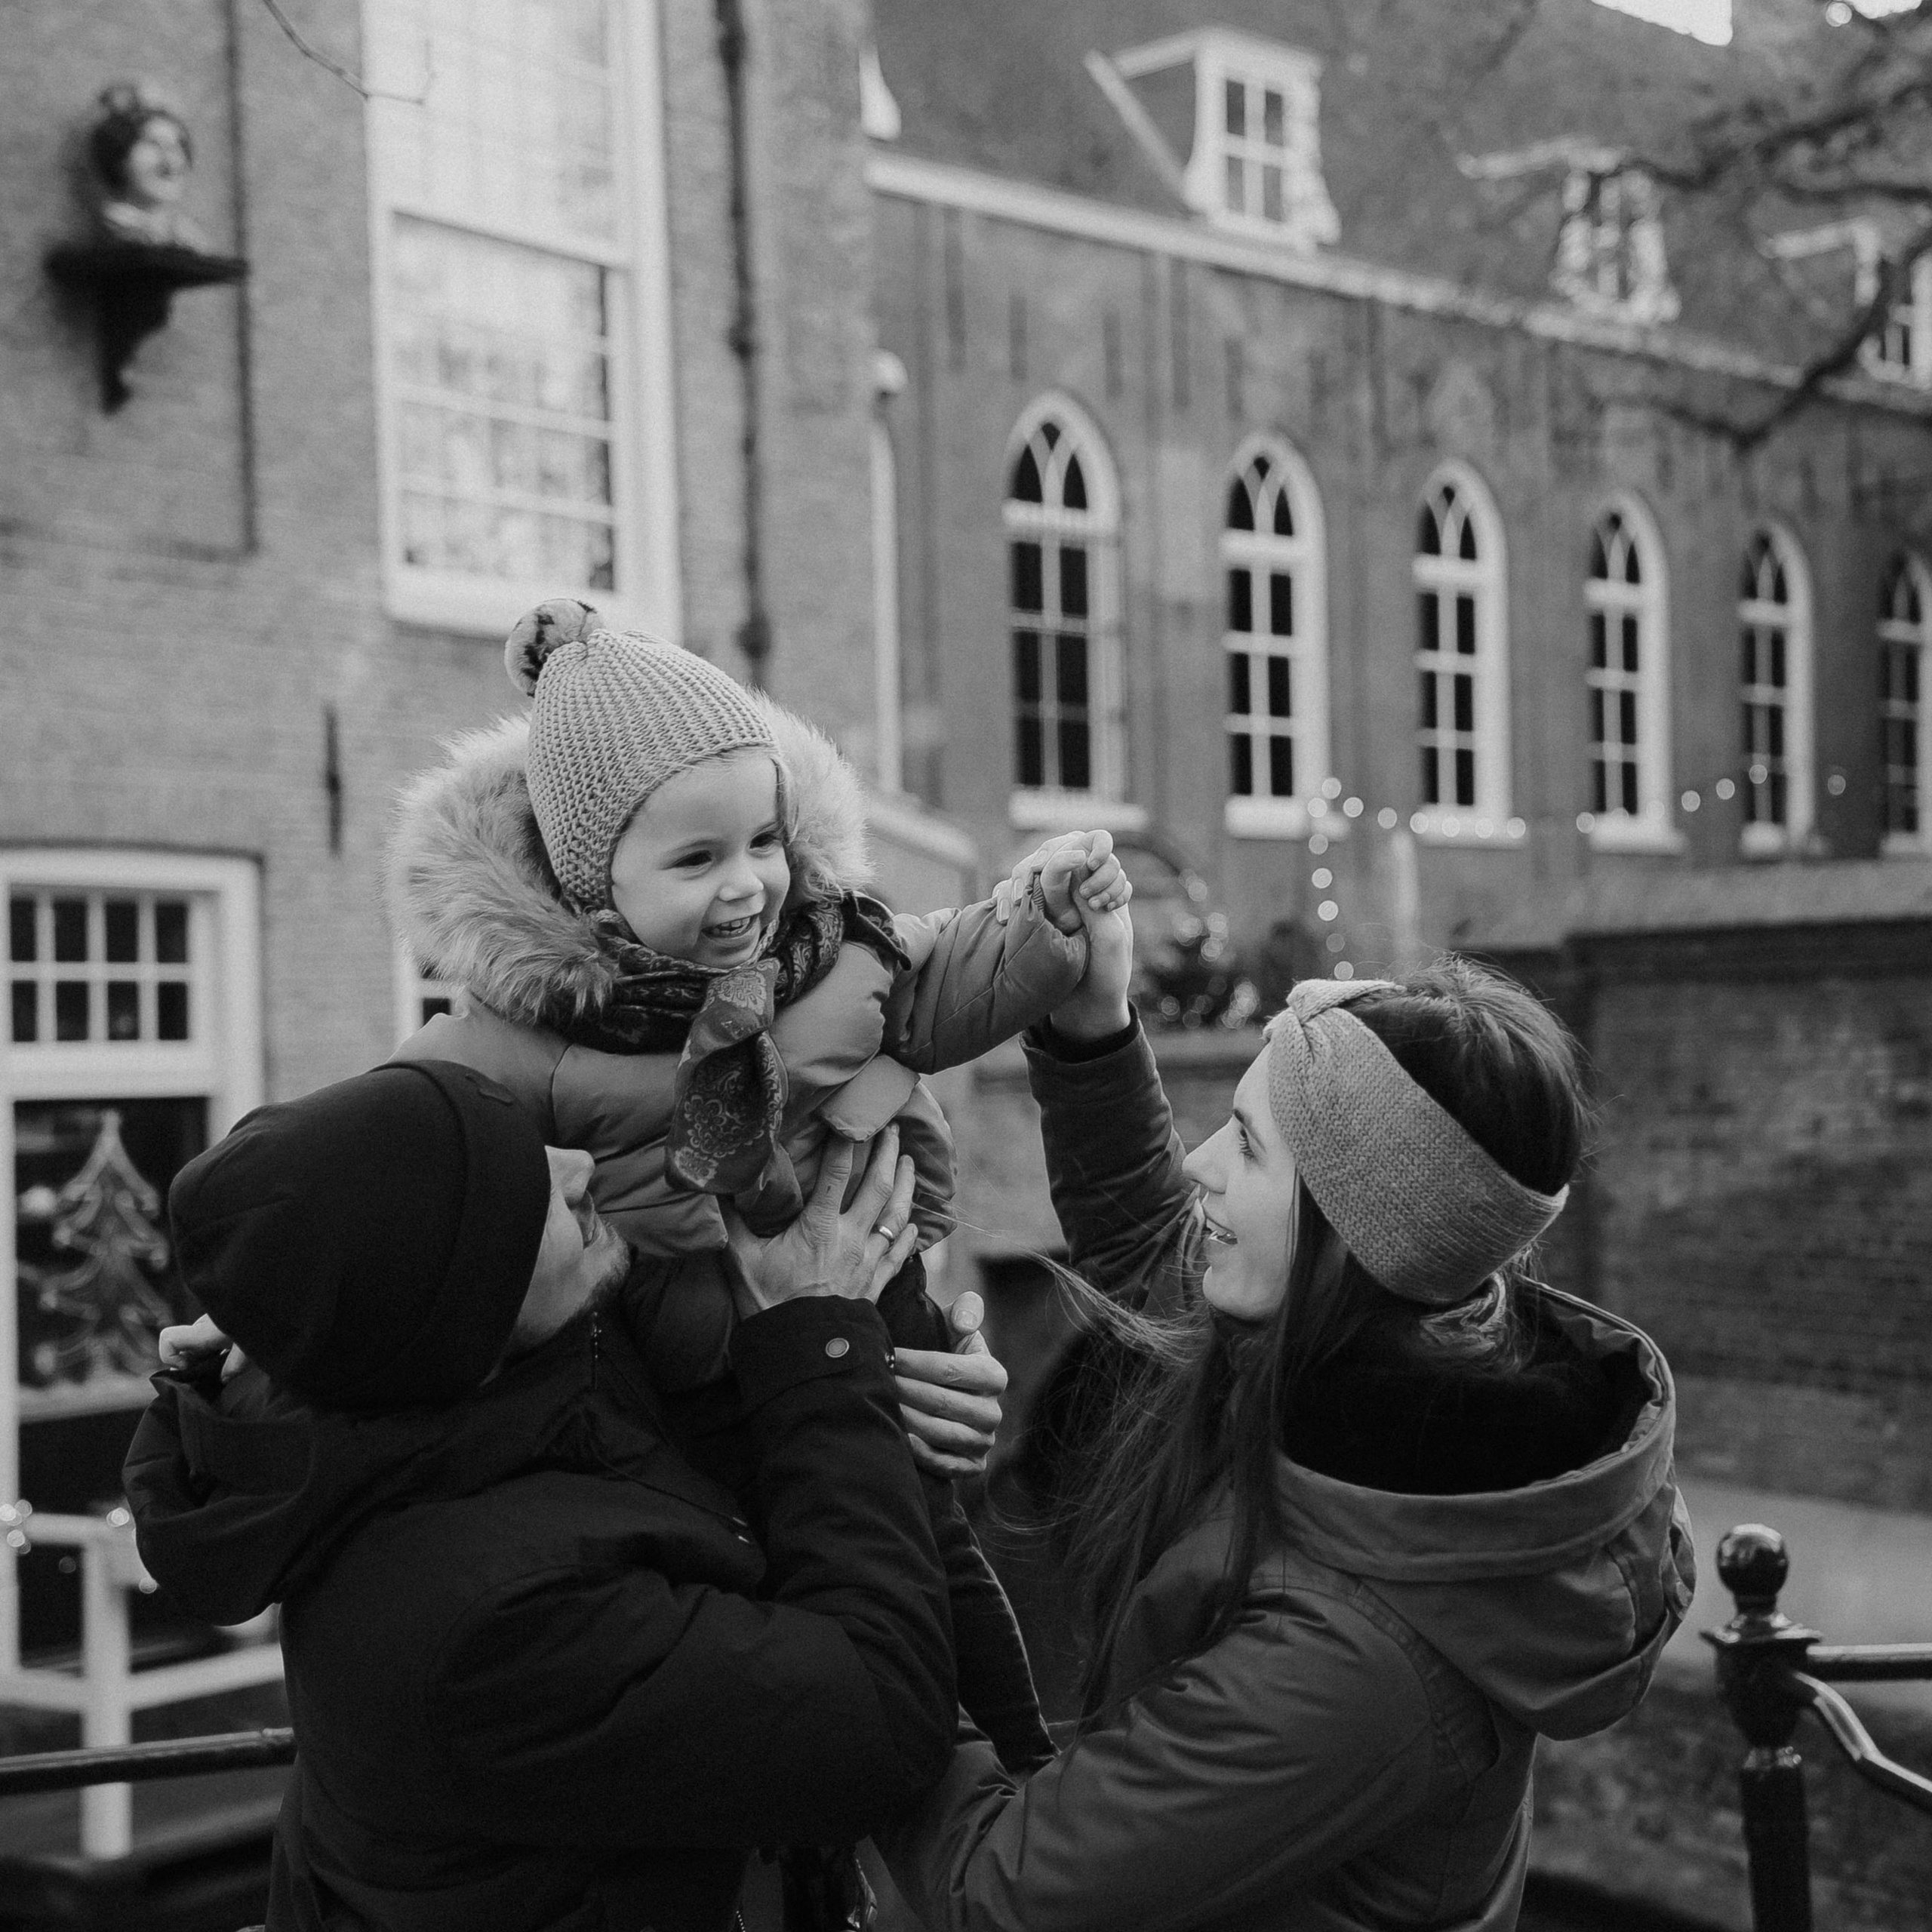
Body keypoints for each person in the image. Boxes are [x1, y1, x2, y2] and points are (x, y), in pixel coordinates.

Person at [860, 859, 1697, 1931]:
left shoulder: (1357, 1663)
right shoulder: (1373, 1362)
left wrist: (866, 1572)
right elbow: (1165, 1273)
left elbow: (1000, 1894)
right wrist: (1091, 1030)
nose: (1205, 1162)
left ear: (1354, 1237)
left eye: (1248, 1145)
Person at [384, 596, 1125, 1783]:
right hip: (688, 1375)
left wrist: (1041, 927)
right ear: (591, 889)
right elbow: (383, 1152)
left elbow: (947, 981)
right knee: (807, 1609)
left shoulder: (834, 951)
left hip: (876, 1314)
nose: (748, 887)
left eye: (765, 844)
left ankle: (1022, 1770)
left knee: (942, 1558)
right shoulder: (533, 1033)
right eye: (696, 860)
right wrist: (252, 1298)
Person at [124, 1057, 968, 1932]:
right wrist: (819, 1345)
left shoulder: (446, 1384)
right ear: (456, 1303)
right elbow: (880, 1717)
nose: (578, 1167)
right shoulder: (479, 1623)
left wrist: (903, 1375)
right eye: (523, 1190)